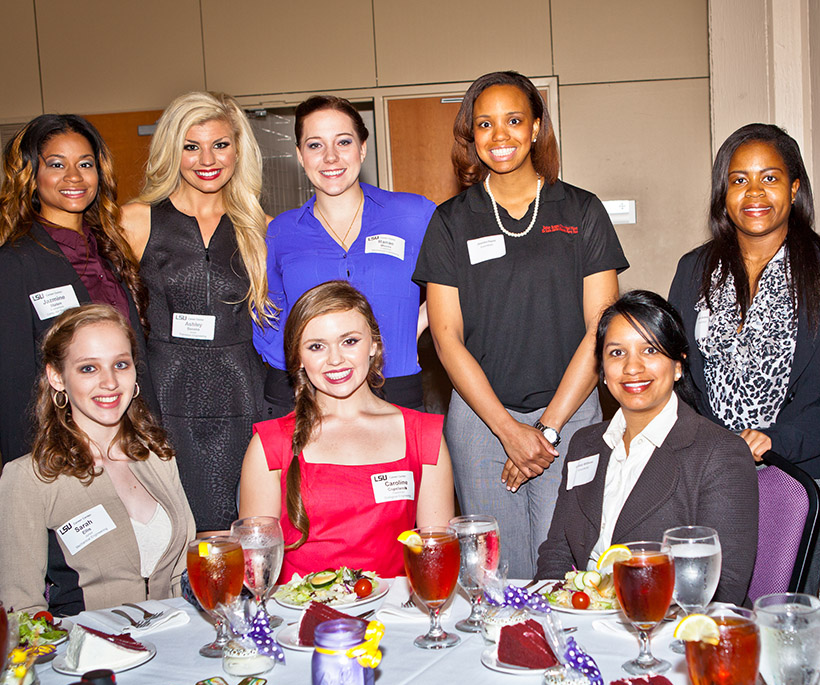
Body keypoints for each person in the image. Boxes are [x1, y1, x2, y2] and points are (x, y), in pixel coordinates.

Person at [414, 70, 627, 578]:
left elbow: (602, 328)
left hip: (571, 415)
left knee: (567, 564)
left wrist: (546, 430)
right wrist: (509, 430)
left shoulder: (582, 210)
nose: (500, 135)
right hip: (482, 421)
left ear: (535, 128)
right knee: (496, 573)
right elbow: (445, 338)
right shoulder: (450, 221)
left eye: (513, 120)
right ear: (472, 137)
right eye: (485, 124)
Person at [668, 122, 820, 592]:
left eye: (770, 178)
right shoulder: (694, 268)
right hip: (710, 474)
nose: (754, 192)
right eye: (739, 180)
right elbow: (677, 371)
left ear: (795, 188)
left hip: (802, 477)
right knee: (712, 612)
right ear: (723, 193)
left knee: (787, 616)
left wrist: (776, 440)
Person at [535, 291, 758, 603]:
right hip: (580, 621)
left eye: (649, 350)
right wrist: (554, 615)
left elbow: (725, 586)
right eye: (616, 353)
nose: (632, 368)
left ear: (678, 365)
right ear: (602, 369)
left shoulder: (720, 454)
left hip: (668, 628)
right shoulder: (585, 444)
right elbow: (557, 551)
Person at [122, 91, 270, 531]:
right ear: (173, 151)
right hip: (165, 392)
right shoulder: (134, 220)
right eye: (191, 146)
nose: (207, 158)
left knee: (244, 528)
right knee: (175, 531)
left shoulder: (258, 226)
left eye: (220, 144)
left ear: (238, 149)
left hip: (242, 392)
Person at [239, 281, 453, 582]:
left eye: (349, 341)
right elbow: (256, 572)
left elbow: (435, 565)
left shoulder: (423, 435)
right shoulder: (270, 444)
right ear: (299, 357)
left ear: (374, 344)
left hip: (392, 621)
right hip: (298, 620)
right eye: (316, 346)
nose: (335, 359)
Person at [0, 305, 196, 617]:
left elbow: (183, 574)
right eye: (88, 368)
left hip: (171, 643)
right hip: (86, 655)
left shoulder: (158, 455)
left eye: (120, 364)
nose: (110, 383)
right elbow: (21, 611)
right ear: (57, 377)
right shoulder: (29, 479)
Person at [0, 114, 156, 465]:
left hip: (131, 442)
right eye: (57, 164)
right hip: (65, 452)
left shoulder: (113, 250)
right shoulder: (10, 266)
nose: (74, 177)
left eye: (85, 164)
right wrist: (31, 477)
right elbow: (14, 390)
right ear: (32, 176)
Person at [253, 95, 437, 415]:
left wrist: (417, 326)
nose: (331, 157)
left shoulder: (413, 214)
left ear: (362, 148)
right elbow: (268, 314)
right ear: (299, 155)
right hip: (307, 393)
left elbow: (460, 282)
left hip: (393, 384)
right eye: (315, 145)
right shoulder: (281, 231)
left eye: (343, 141)